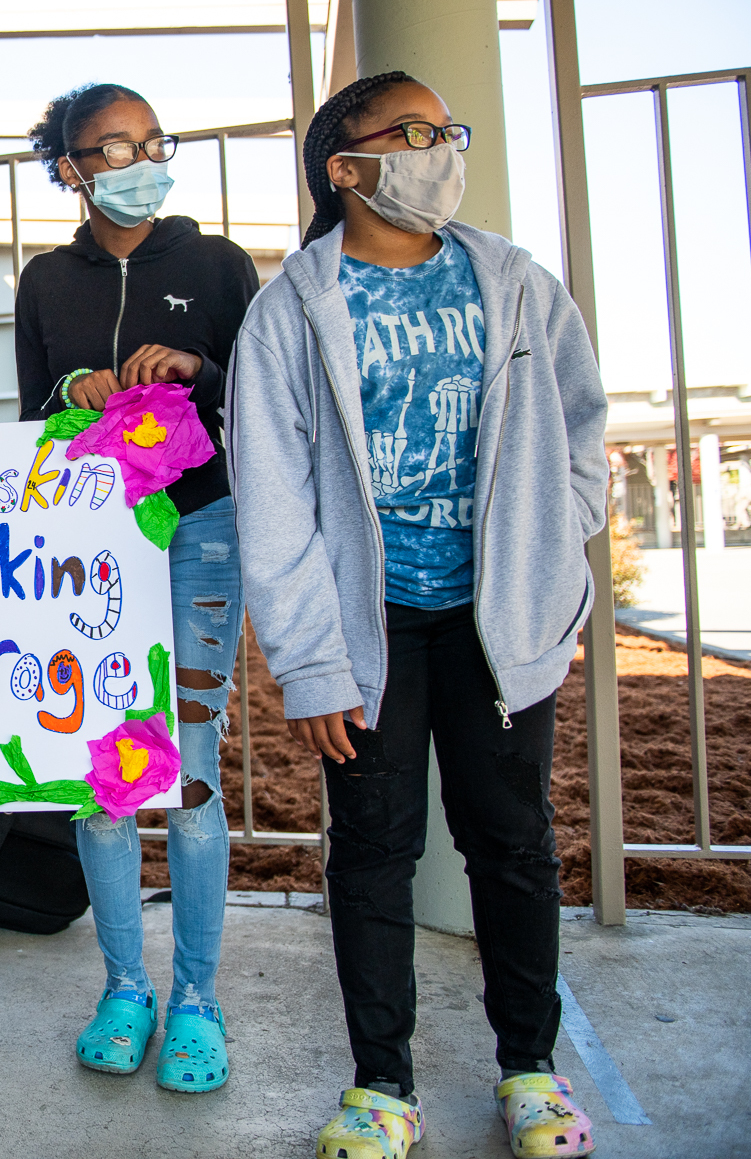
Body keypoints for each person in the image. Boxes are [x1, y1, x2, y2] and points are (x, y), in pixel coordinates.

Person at [228, 71, 607, 1159]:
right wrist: (312, 661)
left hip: (496, 625)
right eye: (414, 132)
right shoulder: (292, 308)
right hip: (368, 629)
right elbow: (276, 497)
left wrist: (545, 555)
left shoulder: (519, 285)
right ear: (346, 167)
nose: (441, 148)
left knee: (514, 844)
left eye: (448, 129)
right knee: (372, 852)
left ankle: (530, 1068)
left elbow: (581, 430)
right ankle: (382, 1084)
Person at [15, 83, 259, 1090]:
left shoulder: (218, 263)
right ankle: (126, 984)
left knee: (190, 768)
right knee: (105, 775)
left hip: (202, 525)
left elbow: (262, 394)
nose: (136, 161)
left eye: (150, 142)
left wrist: (198, 368)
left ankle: (197, 996)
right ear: (68, 167)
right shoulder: (42, 282)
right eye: (110, 148)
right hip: (92, 548)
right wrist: (78, 390)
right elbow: (35, 409)